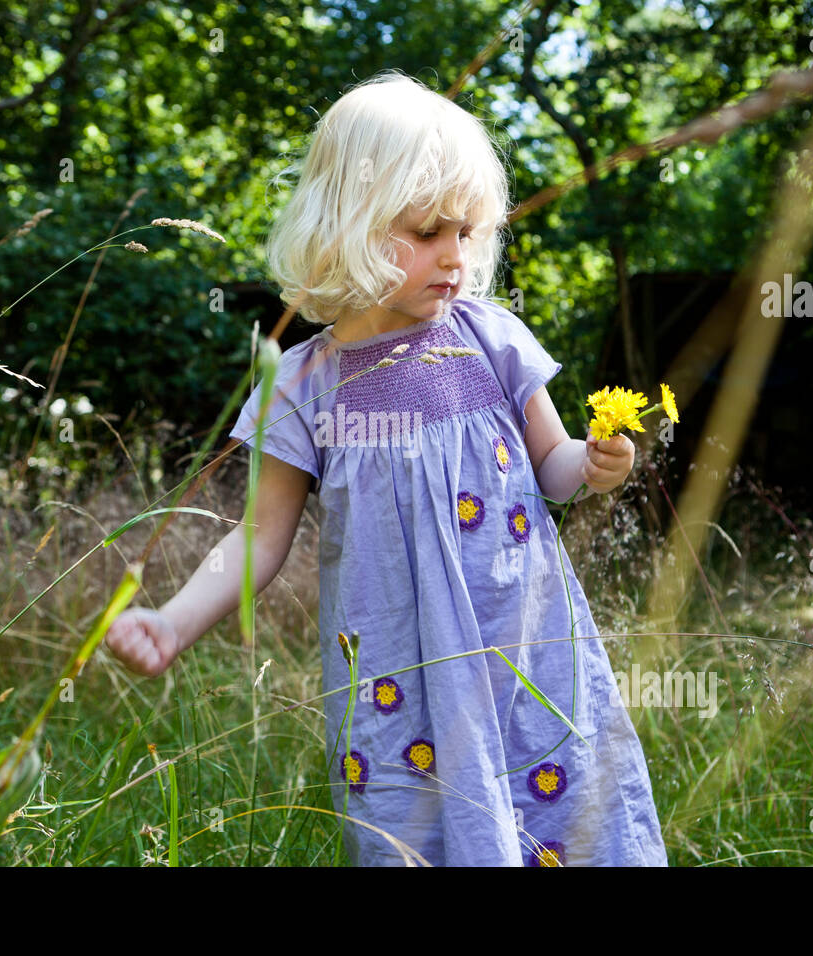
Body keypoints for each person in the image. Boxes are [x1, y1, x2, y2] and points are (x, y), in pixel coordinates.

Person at [105, 71, 668, 867]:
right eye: (428, 231)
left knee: (565, 817)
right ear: (351, 225)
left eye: (467, 233)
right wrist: (172, 619)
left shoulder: (490, 338)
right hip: (398, 678)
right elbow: (256, 542)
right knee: (422, 838)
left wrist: (597, 461)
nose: (454, 256)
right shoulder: (304, 385)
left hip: (526, 649)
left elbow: (552, 465)